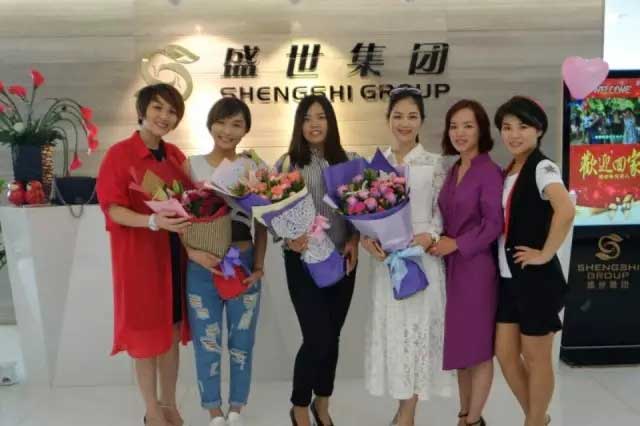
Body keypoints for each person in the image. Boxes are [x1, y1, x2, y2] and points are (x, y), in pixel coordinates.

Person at [97, 83, 192, 426]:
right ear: (142, 110)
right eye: (158, 108)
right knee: (144, 335)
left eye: (172, 111)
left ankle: (169, 403)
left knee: (171, 332)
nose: (164, 116)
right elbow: (113, 208)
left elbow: (191, 200)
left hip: (174, 258)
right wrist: (151, 221)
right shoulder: (119, 155)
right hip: (139, 259)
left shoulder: (176, 156)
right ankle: (152, 410)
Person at [361, 87, 453, 426]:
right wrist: (367, 239)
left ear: (422, 121)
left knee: (418, 335)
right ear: (388, 119)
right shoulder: (375, 166)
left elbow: (444, 212)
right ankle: (403, 410)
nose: (405, 123)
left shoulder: (434, 164)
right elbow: (364, 212)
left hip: (422, 260)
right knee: (397, 336)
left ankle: (407, 416)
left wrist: (431, 235)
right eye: (398, 116)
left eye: (412, 116)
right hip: (389, 264)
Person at [276, 94, 360, 426]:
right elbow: (269, 213)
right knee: (317, 336)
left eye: (321, 117)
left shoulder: (349, 162)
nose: (314, 124)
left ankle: (322, 403)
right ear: (299, 124)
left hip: (341, 259)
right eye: (307, 118)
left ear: (331, 122)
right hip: (301, 261)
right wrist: (287, 238)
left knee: (332, 336)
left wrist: (354, 238)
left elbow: (360, 211)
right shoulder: (287, 164)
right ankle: (299, 405)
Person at [185, 97, 268, 426]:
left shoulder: (254, 168)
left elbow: (263, 221)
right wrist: (191, 252)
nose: (227, 130)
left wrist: (259, 265)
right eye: (221, 122)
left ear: (246, 130)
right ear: (210, 124)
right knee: (207, 341)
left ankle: (236, 409)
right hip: (202, 266)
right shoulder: (192, 166)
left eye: (236, 124)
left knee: (242, 341)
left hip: (242, 263)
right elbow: (180, 218)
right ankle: (213, 411)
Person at [493, 96, 575, 426]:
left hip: (536, 281)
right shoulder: (509, 170)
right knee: (505, 354)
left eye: (523, 127)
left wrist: (546, 253)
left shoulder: (543, 167)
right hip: (507, 278)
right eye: (507, 127)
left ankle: (534, 421)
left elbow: (565, 209)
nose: (514, 134)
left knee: (536, 357)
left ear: (539, 130)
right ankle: (538, 418)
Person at [434, 99, 504, 426]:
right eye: (454, 126)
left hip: (476, 270)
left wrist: (457, 244)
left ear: (481, 130)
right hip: (451, 269)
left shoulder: (489, 171)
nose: (459, 132)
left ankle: (474, 420)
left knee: (478, 351)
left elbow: (493, 224)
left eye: (467, 126)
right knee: (462, 351)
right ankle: (464, 415)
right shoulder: (453, 169)